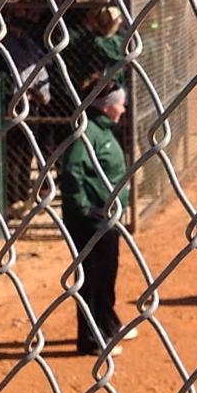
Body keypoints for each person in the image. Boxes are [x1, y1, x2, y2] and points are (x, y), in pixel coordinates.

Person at [58, 78, 130, 355]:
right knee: (92, 278)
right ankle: (90, 338)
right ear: (107, 108)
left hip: (107, 219)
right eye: (120, 105)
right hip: (91, 221)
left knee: (107, 274)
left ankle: (107, 324)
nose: (123, 109)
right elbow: (71, 171)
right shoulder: (87, 134)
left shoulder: (103, 130)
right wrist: (83, 208)